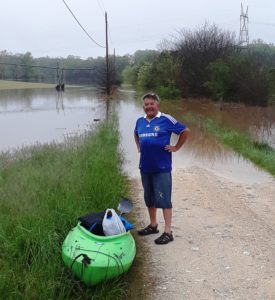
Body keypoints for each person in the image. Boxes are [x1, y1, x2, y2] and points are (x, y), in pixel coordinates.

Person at [134, 92, 190, 245]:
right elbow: (135, 134)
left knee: (164, 200)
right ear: (143, 107)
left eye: (151, 104)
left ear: (157, 105)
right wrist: (139, 146)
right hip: (145, 167)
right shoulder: (140, 121)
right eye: (146, 105)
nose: (149, 107)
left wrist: (176, 147)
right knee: (149, 198)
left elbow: (185, 131)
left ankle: (168, 232)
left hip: (162, 168)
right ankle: (153, 226)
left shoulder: (166, 119)